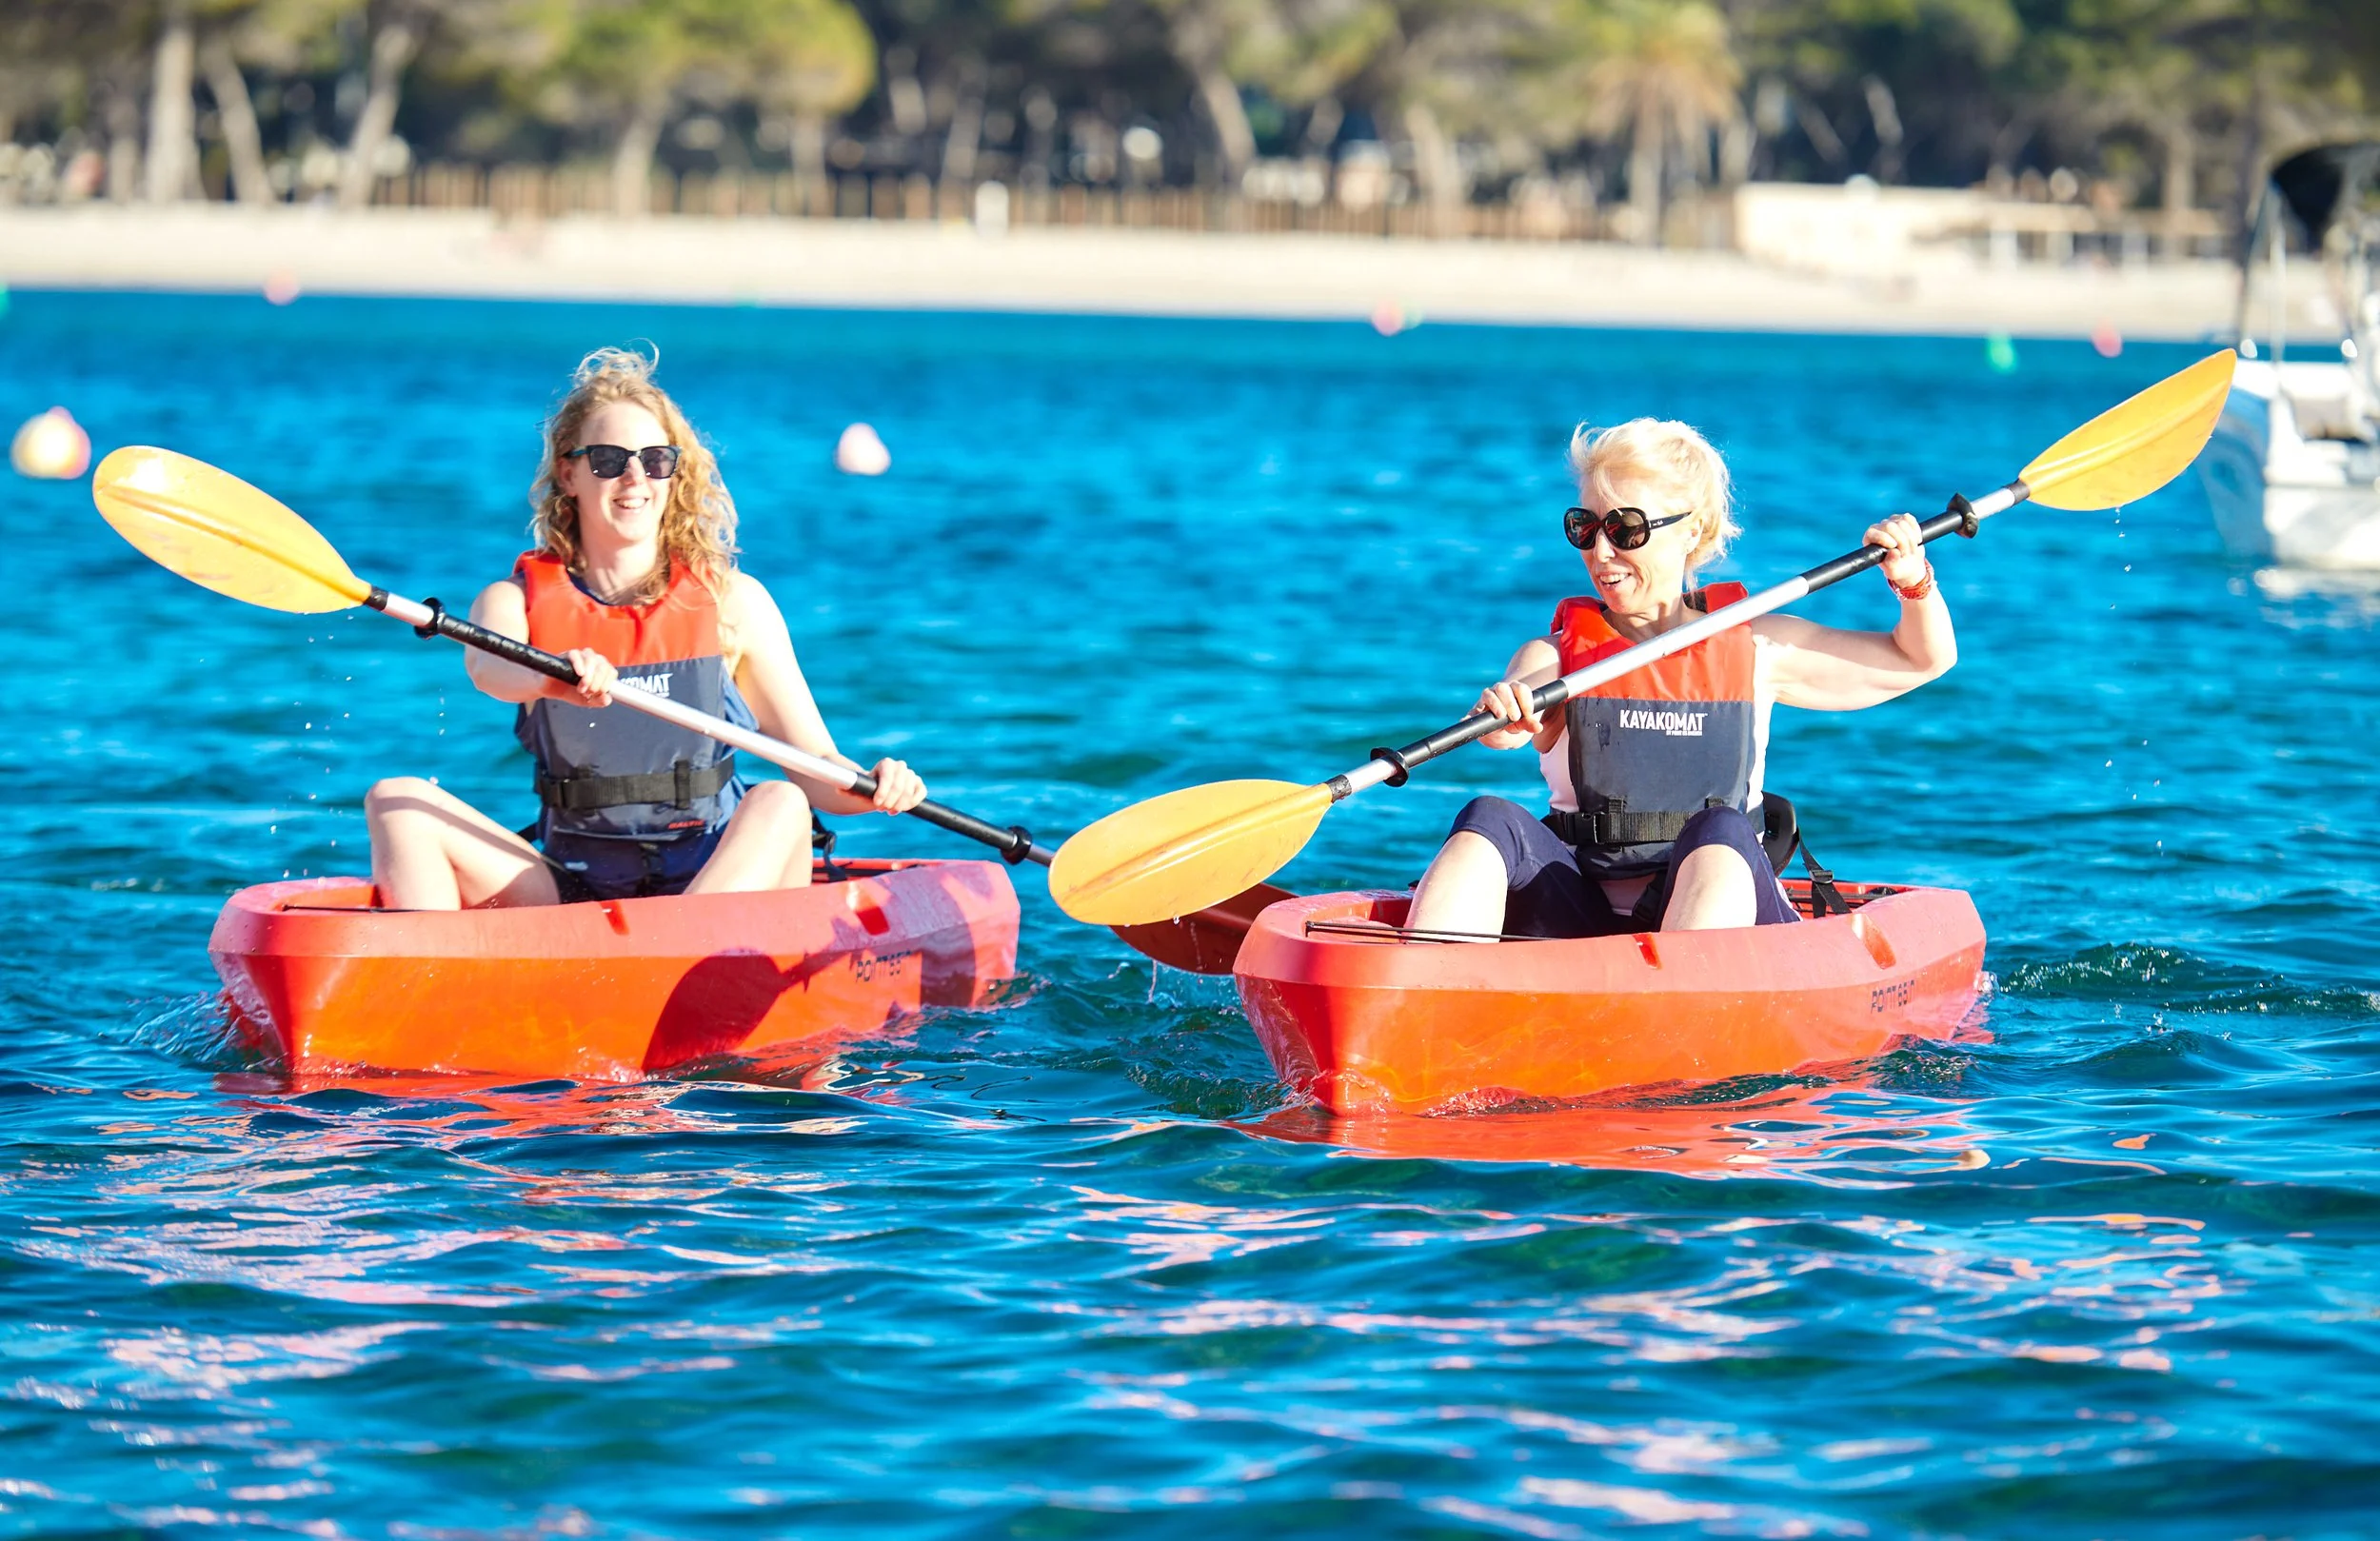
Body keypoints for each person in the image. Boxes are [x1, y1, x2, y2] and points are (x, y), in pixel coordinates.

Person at [364, 347, 924, 909]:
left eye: (655, 459)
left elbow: (816, 769)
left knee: (780, 801)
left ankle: (681, 957)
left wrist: (877, 789)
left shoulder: (734, 603)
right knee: (396, 801)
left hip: (718, 880)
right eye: (608, 459)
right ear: (569, 472)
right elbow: (491, 669)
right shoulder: (513, 602)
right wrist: (550, 679)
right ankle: (432, 982)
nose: (635, 477)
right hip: (575, 886)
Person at [1405, 417, 1954, 940]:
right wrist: (1502, 718)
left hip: (1727, 916)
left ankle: (1684, 1009)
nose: (1601, 551)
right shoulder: (1554, 657)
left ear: (1692, 529)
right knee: (1486, 820)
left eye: (1626, 529)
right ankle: (1423, 989)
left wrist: (1912, 580)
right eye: (1586, 527)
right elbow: (1504, 724)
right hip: (1581, 915)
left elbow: (1919, 660)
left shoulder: (1759, 647)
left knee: (1721, 831)